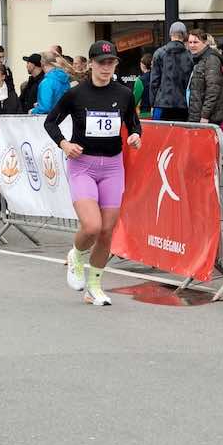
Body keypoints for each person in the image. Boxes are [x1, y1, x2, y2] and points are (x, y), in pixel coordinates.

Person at [45, 40, 143, 307]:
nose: (106, 68)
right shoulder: (76, 94)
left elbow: (133, 123)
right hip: (83, 166)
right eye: (101, 63)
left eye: (111, 63)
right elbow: (50, 122)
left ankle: (94, 287)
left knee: (107, 231)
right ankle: (76, 255)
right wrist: (64, 144)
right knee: (92, 226)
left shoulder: (124, 94)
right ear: (91, 64)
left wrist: (135, 135)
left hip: (112, 167)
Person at [149, 22, 193, 122]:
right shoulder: (189, 55)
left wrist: (152, 103)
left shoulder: (159, 53)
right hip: (183, 105)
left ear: (170, 34)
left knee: (161, 131)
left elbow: (154, 82)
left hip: (162, 103)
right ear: (184, 35)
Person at [186, 28, 223, 125]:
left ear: (205, 43)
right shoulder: (199, 59)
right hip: (198, 115)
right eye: (190, 42)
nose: (192, 45)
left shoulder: (211, 59)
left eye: (195, 42)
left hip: (207, 118)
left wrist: (205, 116)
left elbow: (213, 90)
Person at [133, 51, 153, 116]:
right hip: (158, 113)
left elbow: (134, 101)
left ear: (143, 65)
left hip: (145, 114)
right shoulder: (159, 77)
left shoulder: (140, 80)